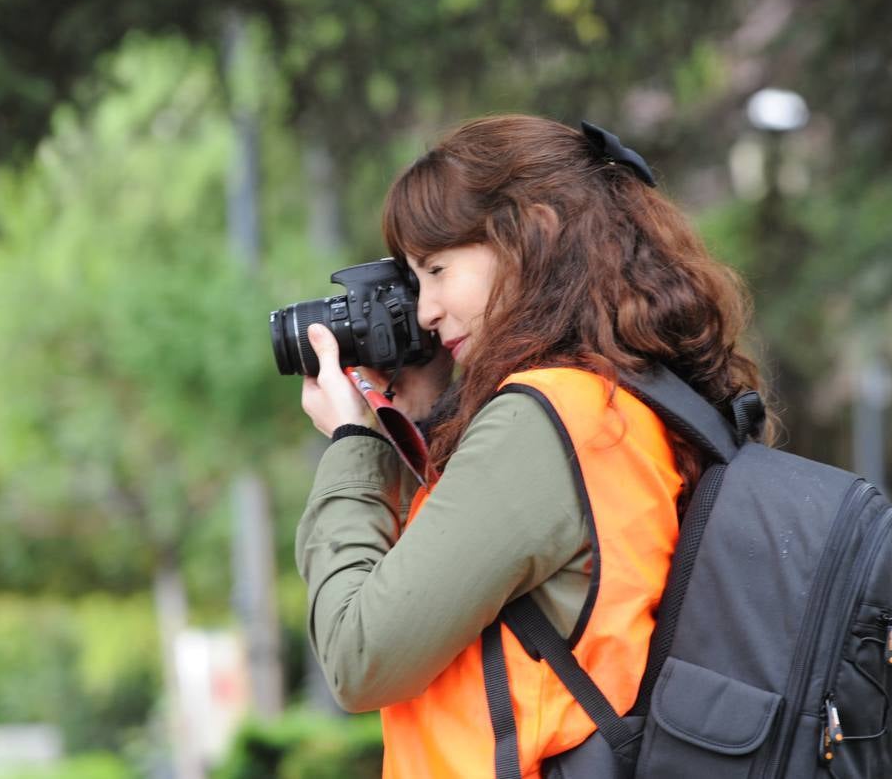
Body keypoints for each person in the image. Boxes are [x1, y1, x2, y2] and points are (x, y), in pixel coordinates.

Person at [296, 115, 771, 778]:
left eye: (437, 269)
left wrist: (353, 441)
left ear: (528, 238)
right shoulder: (623, 400)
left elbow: (359, 658)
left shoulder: (543, 420)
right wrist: (426, 414)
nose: (426, 310)